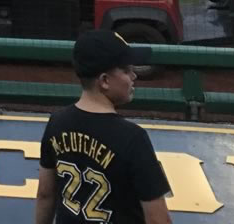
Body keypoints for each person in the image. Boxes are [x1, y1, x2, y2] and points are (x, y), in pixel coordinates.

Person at [35, 30, 172, 224]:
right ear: (105, 81)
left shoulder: (57, 123)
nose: (134, 76)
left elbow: (45, 194)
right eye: (126, 70)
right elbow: (158, 220)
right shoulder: (133, 138)